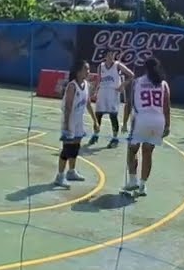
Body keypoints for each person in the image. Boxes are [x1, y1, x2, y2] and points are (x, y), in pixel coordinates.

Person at [121, 57, 171, 197]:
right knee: (148, 153)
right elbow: (166, 106)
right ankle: (142, 186)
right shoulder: (163, 84)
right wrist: (167, 125)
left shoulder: (137, 82)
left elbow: (129, 104)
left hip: (141, 119)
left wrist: (124, 122)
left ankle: (132, 180)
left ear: (145, 68)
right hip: (157, 121)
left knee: (132, 150)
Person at [54, 60, 93, 189]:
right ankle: (60, 176)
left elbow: (87, 103)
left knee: (76, 147)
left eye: (88, 69)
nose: (88, 72)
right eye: (86, 69)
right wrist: (66, 125)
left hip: (79, 121)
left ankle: (71, 172)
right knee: (67, 149)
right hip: (70, 121)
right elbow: (68, 107)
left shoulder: (86, 85)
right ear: (78, 71)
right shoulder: (72, 86)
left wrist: (95, 120)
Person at [88, 53, 133, 148]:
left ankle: (115, 138)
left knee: (113, 116)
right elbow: (99, 80)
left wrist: (122, 85)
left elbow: (131, 75)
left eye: (111, 55)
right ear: (105, 56)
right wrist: (95, 91)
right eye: (108, 55)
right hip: (102, 92)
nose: (110, 57)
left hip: (113, 93)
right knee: (98, 115)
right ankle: (95, 135)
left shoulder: (118, 65)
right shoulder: (101, 66)